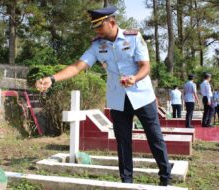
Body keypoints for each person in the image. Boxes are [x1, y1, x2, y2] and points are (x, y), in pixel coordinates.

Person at [35, 6, 172, 186]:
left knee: (154, 137)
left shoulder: (133, 37)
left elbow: (145, 66)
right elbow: (77, 67)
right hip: (118, 99)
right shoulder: (97, 46)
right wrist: (52, 78)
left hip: (141, 96)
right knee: (123, 142)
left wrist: (135, 78)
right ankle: (126, 181)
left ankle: (165, 178)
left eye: (100, 27)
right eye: (95, 28)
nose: (97, 31)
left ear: (112, 22)